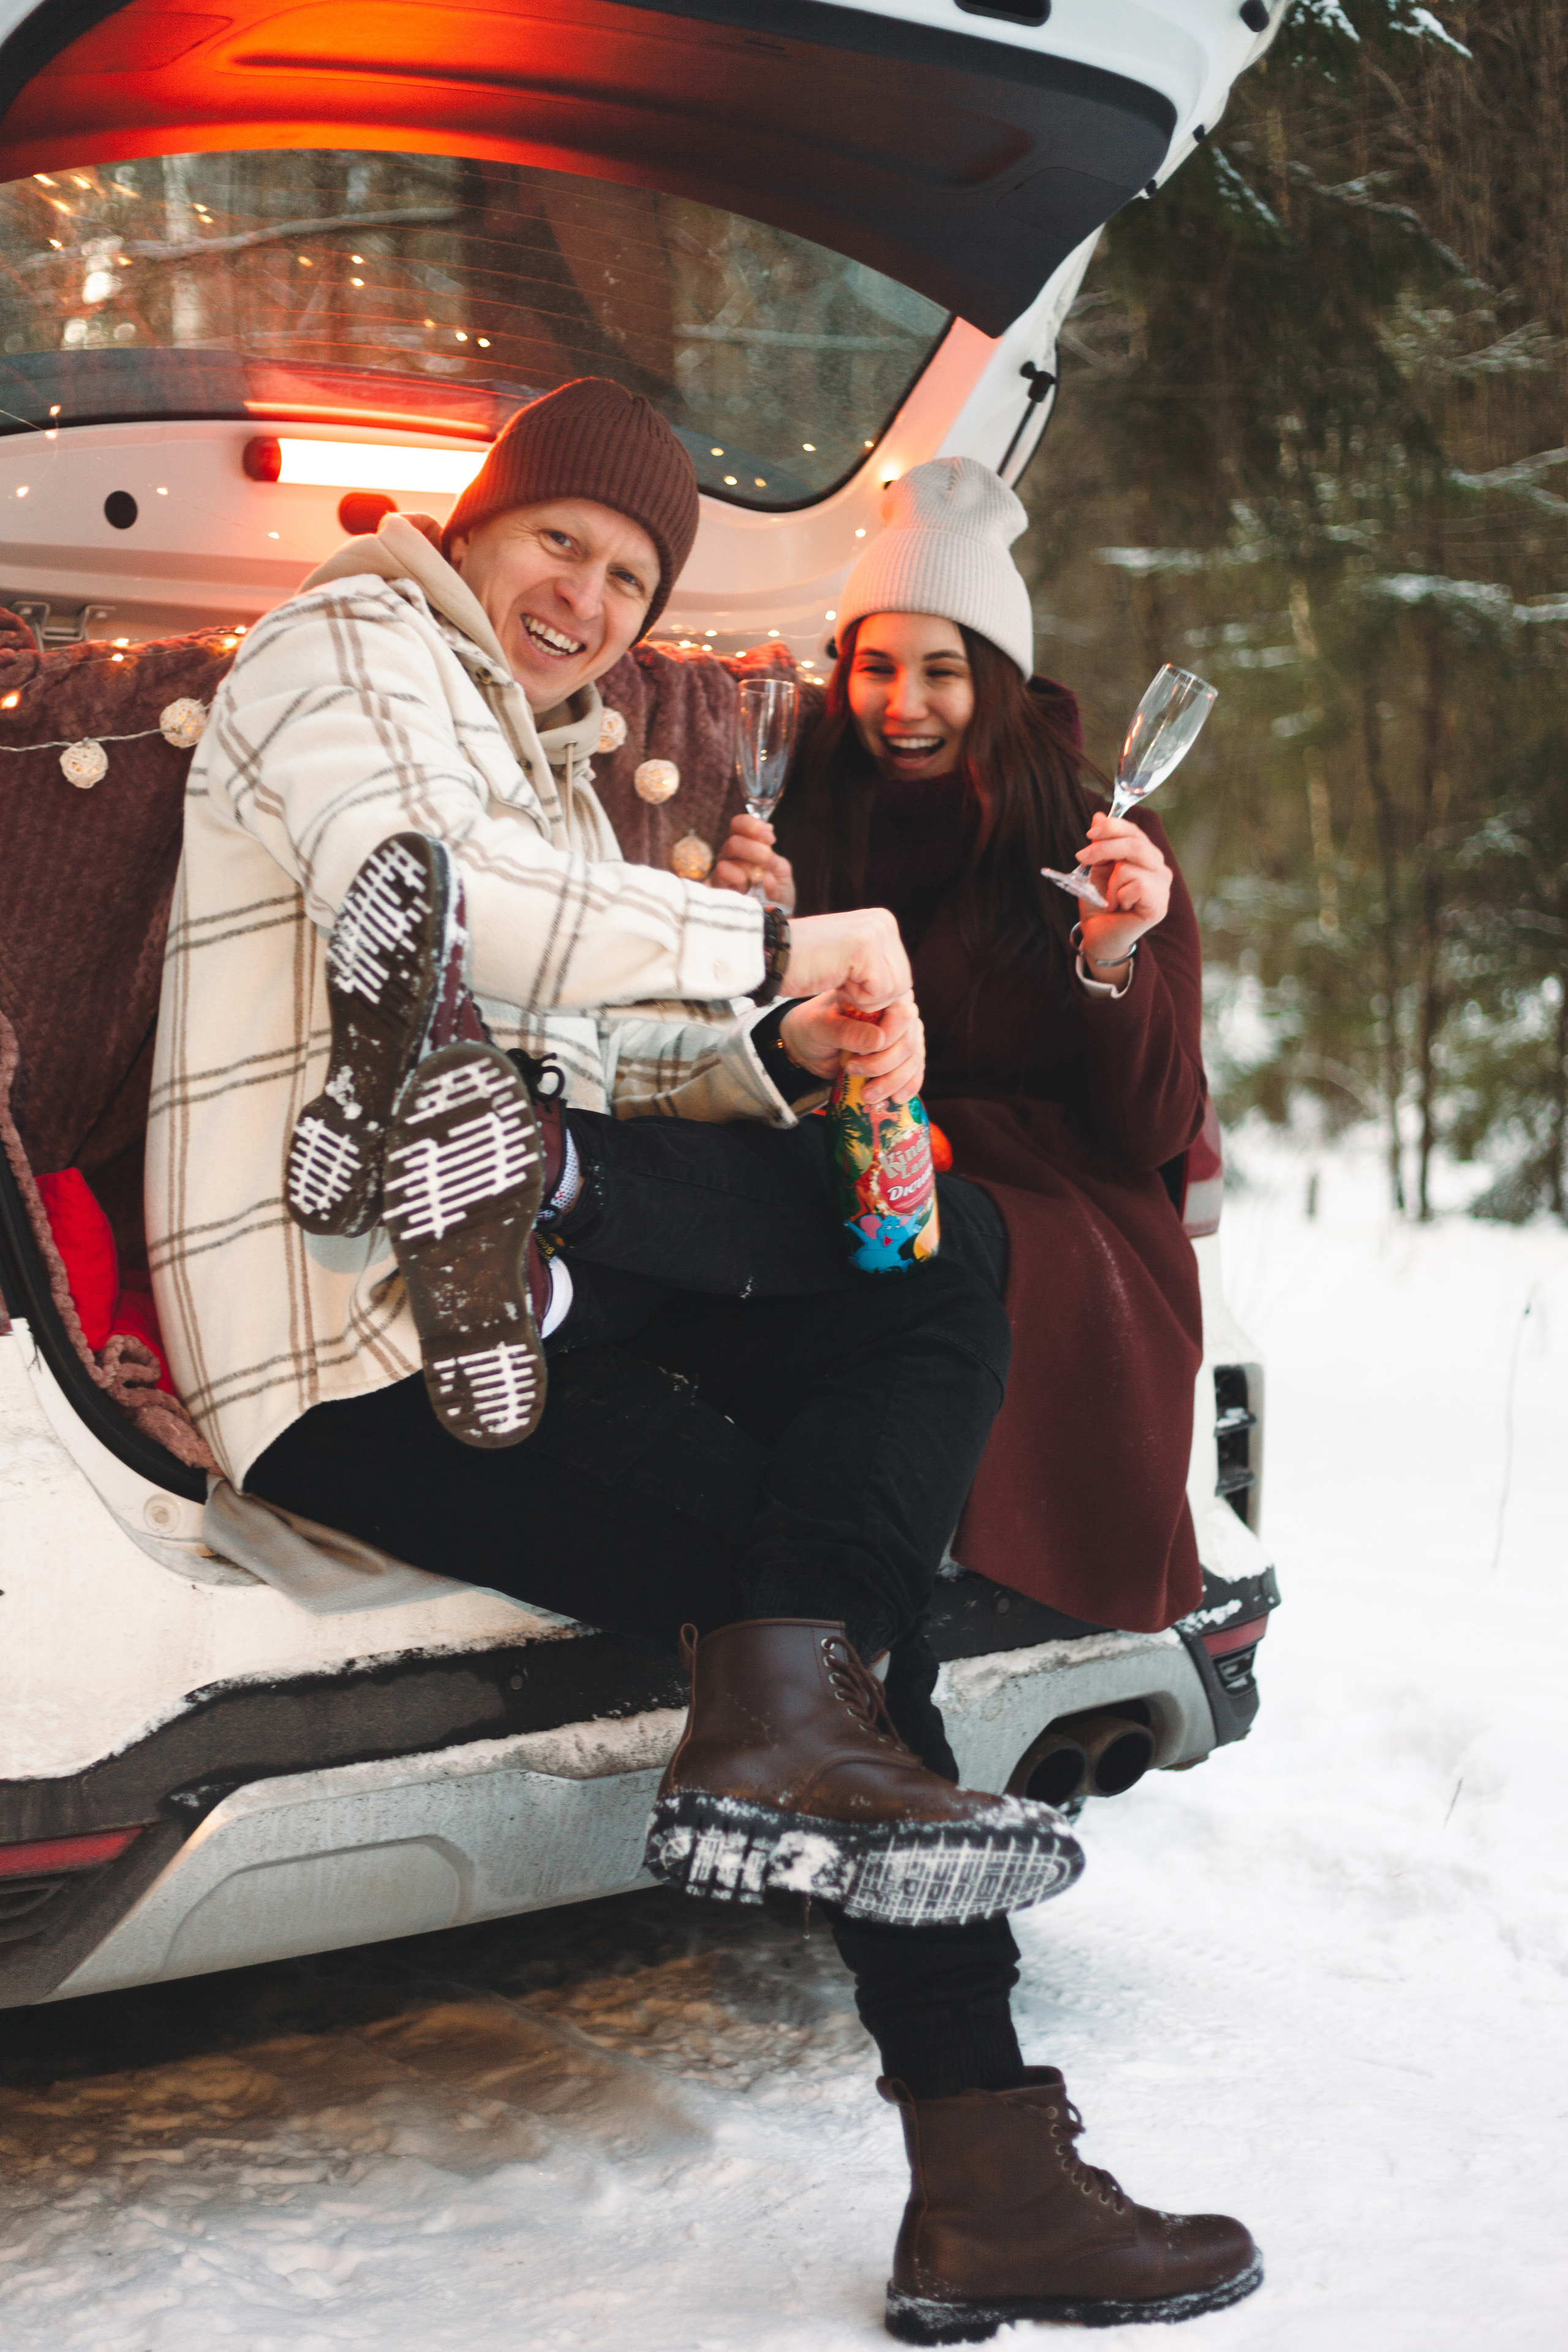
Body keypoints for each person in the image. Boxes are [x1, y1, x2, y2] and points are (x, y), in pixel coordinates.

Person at [145, 393, 1256, 2339]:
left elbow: (614, 1017)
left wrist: (786, 1045)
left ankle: (766, 1692)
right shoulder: (344, 647)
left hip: (526, 1281)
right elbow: (424, 882)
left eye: (629, 577)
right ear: (476, 531)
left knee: (933, 1263)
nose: (586, 598)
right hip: (348, 1341)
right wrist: (783, 945)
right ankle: (982, 2174)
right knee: (825, 1587)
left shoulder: (544, 749)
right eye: (560, 544)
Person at [716, 456, 1210, 1638]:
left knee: (931, 1249)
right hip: (849, 1147)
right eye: (878, 666)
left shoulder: (1102, 838)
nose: (906, 704)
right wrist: (752, 936)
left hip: (1054, 1193)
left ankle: (882, 1605)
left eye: (943, 671)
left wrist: (1110, 963)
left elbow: (1156, 1128)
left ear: (996, 681)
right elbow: (731, 1047)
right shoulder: (797, 811)